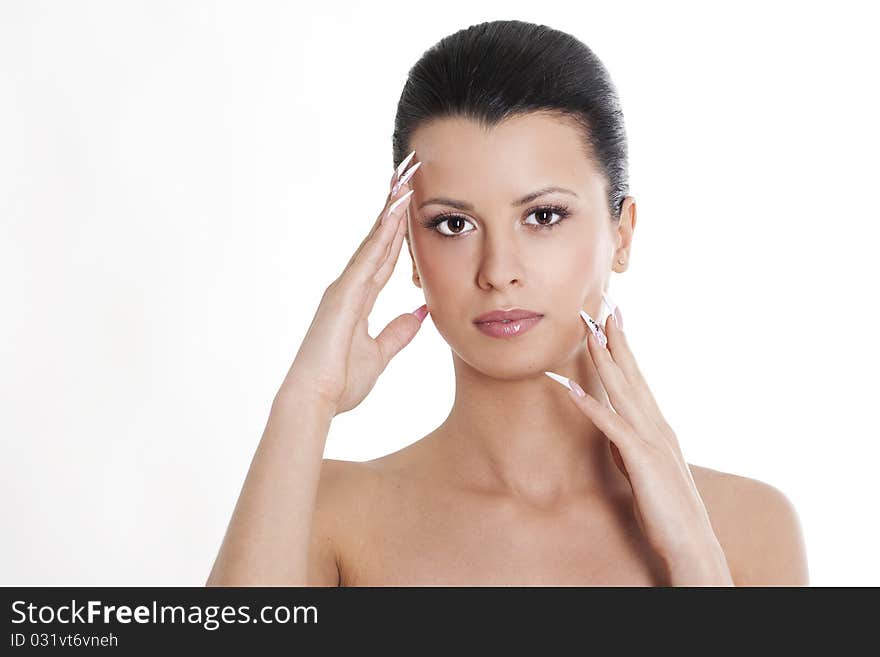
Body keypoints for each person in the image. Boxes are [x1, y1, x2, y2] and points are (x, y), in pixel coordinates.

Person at [206, 19, 808, 586]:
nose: (497, 272)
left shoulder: (749, 527)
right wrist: (305, 402)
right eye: (451, 225)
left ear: (622, 234)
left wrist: (696, 557)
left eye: (543, 216)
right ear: (409, 250)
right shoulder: (327, 517)